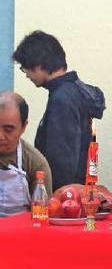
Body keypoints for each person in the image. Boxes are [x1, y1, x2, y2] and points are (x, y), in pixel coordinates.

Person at [13, 30, 105, 191]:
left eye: (25, 68)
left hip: (63, 195)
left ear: (38, 64)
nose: (26, 75)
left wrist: (52, 196)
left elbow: (61, 162)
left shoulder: (62, 99)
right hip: (74, 192)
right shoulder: (73, 91)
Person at [0, 91, 52, 217]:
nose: (0, 136)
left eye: (8, 129)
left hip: (21, 227)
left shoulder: (36, 163)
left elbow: (42, 214)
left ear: (23, 126)